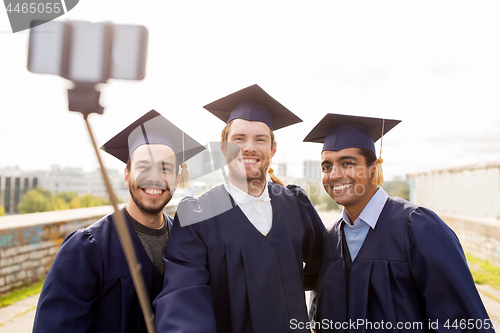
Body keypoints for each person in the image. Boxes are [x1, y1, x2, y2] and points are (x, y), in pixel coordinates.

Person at [154, 84, 326, 333]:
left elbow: (328, 268)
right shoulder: (199, 214)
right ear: (223, 148)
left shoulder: (296, 204)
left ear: (272, 149)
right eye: (239, 139)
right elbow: (183, 296)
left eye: (260, 139)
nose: (249, 147)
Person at [303, 113, 494, 332]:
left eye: (347, 163)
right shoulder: (330, 239)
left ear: (373, 169)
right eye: (326, 167)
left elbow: (461, 321)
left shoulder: (417, 227)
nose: (334, 175)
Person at [32, 110, 204, 333]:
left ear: (177, 179)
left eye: (165, 168)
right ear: (126, 175)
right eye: (143, 167)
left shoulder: (185, 241)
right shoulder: (88, 248)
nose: (154, 177)